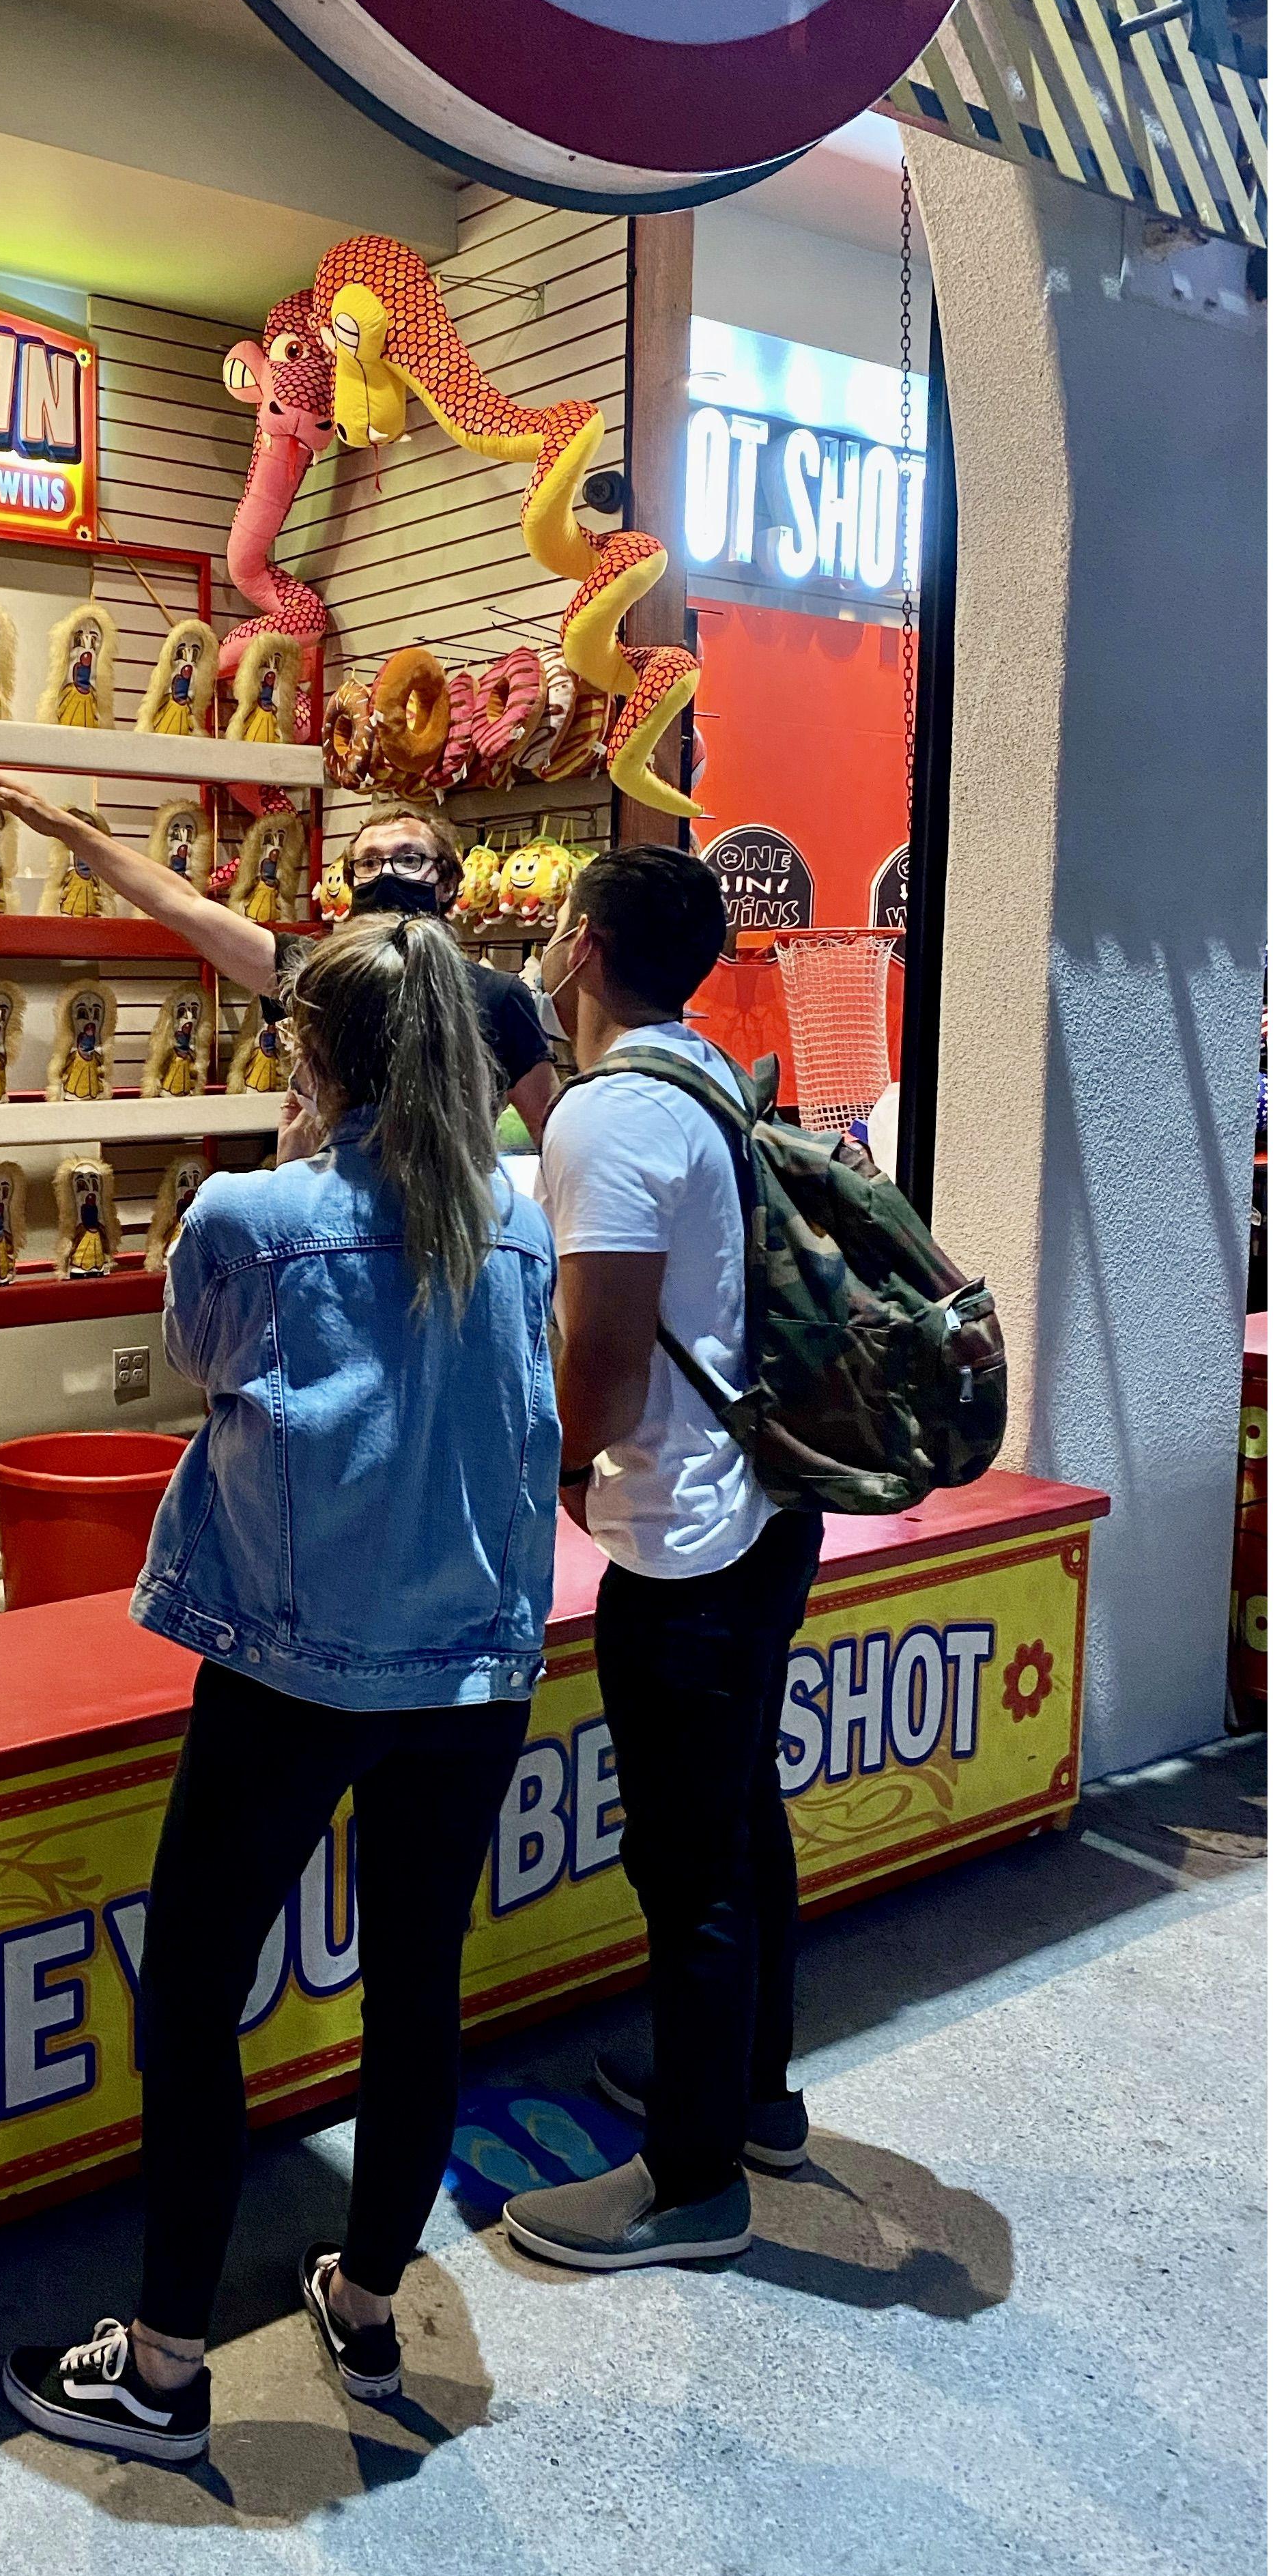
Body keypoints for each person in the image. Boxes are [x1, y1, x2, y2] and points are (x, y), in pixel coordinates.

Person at [3, 918, 560, 2467]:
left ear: (311, 1055)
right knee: (418, 1986)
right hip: (470, 1669)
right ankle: (368, 2303)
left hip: (290, 1666)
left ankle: (166, 2365)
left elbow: (199, 1353)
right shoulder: (516, 1222)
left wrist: (290, 1154)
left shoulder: (251, 1214)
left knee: (195, 1991)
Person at [496, 846, 828, 2273]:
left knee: (688, 1870)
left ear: (580, 944)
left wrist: (560, 1470)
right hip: (766, 1503)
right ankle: (748, 2096)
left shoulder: (609, 1115)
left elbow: (605, 1366)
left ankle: (691, 2186)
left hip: (686, 1544)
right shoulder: (707, 1078)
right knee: (740, 1818)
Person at [0, 778, 557, 1141]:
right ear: (350, 879)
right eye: (369, 862)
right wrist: (70, 831)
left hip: (453, 1233)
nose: (386, 874)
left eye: (409, 859)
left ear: (447, 882)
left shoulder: (498, 999)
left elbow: (548, 1133)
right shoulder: (315, 973)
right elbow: (182, 905)